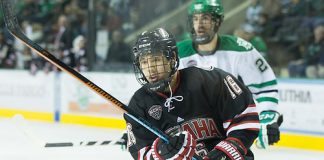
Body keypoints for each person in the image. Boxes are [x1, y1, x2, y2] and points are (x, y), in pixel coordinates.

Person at [124, 28, 260, 160]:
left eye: (155, 60)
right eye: (143, 62)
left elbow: (244, 118)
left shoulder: (210, 80)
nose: (150, 69)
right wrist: (160, 154)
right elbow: (141, 153)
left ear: (172, 59)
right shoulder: (139, 105)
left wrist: (225, 152)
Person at [177, 0, 282, 149]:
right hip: (193, 132)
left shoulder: (240, 50)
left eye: (205, 18)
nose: (199, 24)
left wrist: (267, 118)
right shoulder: (178, 52)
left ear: (217, 22)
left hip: (232, 133)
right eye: (195, 19)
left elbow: (265, 87)